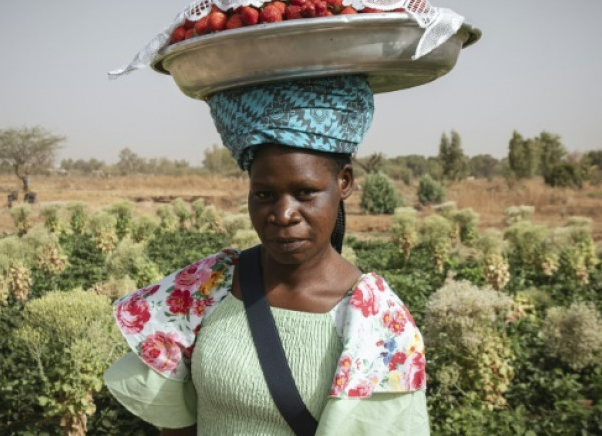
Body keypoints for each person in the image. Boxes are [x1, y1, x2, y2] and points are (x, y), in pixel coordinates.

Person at [104, 75, 429, 435]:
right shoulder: (211, 284)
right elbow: (176, 424)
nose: (282, 214)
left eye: (305, 193)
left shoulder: (376, 319)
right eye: (264, 195)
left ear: (345, 183)